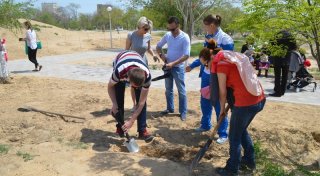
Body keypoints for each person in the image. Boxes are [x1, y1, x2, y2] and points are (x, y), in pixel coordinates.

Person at [199, 47, 266, 175]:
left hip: (245, 103)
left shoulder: (221, 64)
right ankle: (249, 161)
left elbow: (222, 92)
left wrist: (221, 110)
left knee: (234, 137)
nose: (206, 67)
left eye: (206, 64)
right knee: (241, 131)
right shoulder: (231, 58)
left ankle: (231, 169)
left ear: (211, 58)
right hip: (258, 99)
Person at [185, 39, 228, 144]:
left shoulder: (218, 67)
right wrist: (191, 66)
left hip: (216, 94)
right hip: (205, 93)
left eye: (202, 60)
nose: (201, 62)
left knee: (219, 111)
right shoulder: (204, 64)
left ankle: (223, 134)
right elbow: (197, 61)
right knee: (205, 108)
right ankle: (205, 125)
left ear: (209, 59)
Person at [108, 50, 154, 142]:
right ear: (128, 79)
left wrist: (131, 121)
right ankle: (120, 128)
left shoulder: (147, 77)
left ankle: (142, 130)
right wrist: (114, 104)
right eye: (133, 86)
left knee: (142, 102)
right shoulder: (119, 72)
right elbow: (110, 87)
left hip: (136, 60)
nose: (134, 88)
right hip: (120, 59)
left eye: (138, 86)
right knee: (118, 100)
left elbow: (141, 103)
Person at [156, 16, 190, 121]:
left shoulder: (185, 37)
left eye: (173, 29)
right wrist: (163, 57)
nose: (171, 31)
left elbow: (186, 55)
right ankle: (170, 108)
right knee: (168, 90)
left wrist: (173, 63)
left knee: (181, 91)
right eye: (169, 29)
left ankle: (183, 112)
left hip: (178, 68)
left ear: (178, 25)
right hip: (168, 67)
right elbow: (158, 47)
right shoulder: (168, 35)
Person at [125, 17, 160, 112]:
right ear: (139, 27)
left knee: (144, 83)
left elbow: (148, 48)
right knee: (134, 85)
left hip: (143, 62)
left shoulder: (148, 36)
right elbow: (126, 50)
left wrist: (153, 55)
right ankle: (134, 104)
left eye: (148, 29)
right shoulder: (131, 35)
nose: (146, 31)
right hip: (133, 62)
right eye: (145, 29)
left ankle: (141, 103)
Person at [269, 30, 296, 97]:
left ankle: (277, 92)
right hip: (287, 58)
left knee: (277, 76)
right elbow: (294, 47)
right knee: (285, 76)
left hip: (278, 57)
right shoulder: (291, 36)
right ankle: (282, 91)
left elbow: (271, 44)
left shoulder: (277, 34)